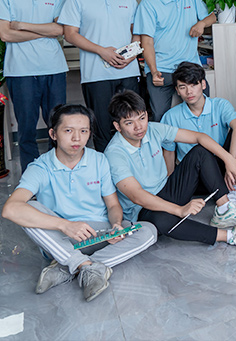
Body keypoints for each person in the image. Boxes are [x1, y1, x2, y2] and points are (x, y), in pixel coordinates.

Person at [1, 104, 157, 302]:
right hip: (60, 238)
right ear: (53, 134)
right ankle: (84, 266)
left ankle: (69, 266)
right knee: (27, 208)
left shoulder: (99, 160)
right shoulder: (40, 167)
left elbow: (112, 205)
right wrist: (65, 225)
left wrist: (116, 224)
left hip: (100, 234)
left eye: (83, 131)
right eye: (68, 131)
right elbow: (10, 209)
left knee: (148, 231)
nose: (77, 138)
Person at [105, 91, 236, 247]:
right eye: (129, 123)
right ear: (117, 126)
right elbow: (137, 196)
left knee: (200, 152)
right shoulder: (114, 153)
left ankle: (224, 209)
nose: (139, 127)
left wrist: (230, 160)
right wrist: (179, 210)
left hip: (167, 189)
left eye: (142, 118)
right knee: (161, 221)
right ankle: (230, 236)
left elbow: (199, 137)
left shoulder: (153, 129)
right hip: (143, 208)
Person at [59, 0, 140, 152]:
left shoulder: (128, 0)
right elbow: (70, 34)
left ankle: (132, 167)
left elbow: (137, 32)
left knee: (133, 124)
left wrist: (131, 56)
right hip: (96, 75)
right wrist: (101, 51)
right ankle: (107, 168)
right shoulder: (76, 0)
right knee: (103, 128)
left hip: (128, 72)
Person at [0, 0, 67, 171]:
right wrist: (45, 31)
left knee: (58, 126)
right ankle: (32, 177)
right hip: (20, 71)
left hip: (54, 68)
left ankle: (57, 171)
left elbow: (61, 30)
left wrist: (23, 25)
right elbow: (5, 34)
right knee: (26, 129)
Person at [161, 61, 236, 200]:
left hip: (223, 168)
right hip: (196, 176)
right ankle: (232, 191)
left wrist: (230, 163)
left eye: (193, 85)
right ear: (177, 90)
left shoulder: (220, 105)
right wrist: (171, 184)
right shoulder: (170, 116)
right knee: (200, 150)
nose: (189, 92)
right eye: (183, 87)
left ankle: (230, 185)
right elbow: (169, 152)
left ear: (203, 84)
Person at [134, 0, 216, 121]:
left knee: (203, 111)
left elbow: (212, 17)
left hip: (190, 67)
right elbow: (147, 41)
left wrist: (201, 23)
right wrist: (153, 71)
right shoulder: (149, 4)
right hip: (162, 70)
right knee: (160, 116)